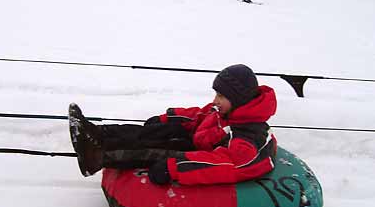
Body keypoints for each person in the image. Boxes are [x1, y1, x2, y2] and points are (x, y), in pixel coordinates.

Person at [69, 64, 277, 185]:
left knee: (155, 151)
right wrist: (168, 118)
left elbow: (225, 165)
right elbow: (200, 115)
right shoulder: (229, 111)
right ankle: (95, 133)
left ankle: (95, 157)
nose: (215, 100)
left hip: (201, 154)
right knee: (151, 131)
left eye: (221, 95)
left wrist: (175, 168)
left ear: (238, 98)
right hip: (199, 142)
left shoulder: (246, 138)